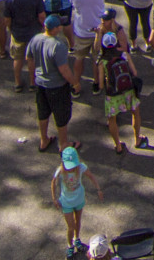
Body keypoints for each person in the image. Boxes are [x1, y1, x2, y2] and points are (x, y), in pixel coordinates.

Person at [27, 15, 76, 153]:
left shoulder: (35, 39)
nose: (61, 27)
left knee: (43, 112)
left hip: (40, 83)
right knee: (61, 115)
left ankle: (44, 140)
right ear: (55, 29)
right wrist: (74, 83)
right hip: (57, 86)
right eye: (59, 25)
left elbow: (29, 59)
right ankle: (64, 144)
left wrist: (32, 78)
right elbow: (64, 69)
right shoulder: (58, 45)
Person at [49, 144, 102, 253]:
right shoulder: (60, 170)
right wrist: (54, 198)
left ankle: (76, 239)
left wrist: (98, 189)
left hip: (79, 199)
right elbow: (53, 183)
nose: (71, 168)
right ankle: (70, 246)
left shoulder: (81, 167)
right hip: (66, 202)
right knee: (71, 226)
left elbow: (91, 176)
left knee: (78, 221)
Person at [96, 30, 141, 154]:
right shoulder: (124, 54)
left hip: (112, 94)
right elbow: (135, 73)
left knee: (112, 120)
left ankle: (118, 146)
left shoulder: (102, 61)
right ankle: (137, 139)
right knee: (135, 113)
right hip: (128, 90)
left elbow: (100, 85)